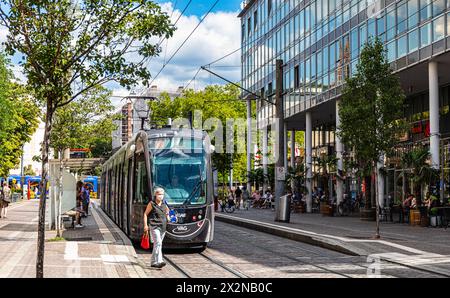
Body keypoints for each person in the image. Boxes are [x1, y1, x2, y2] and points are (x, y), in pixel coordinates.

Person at [143, 187, 170, 269]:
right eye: (159, 194)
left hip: (163, 227)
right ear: (155, 195)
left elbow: (167, 212)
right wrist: (145, 225)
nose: (160, 196)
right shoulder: (151, 204)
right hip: (154, 226)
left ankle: (153, 262)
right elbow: (145, 214)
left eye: (162, 194)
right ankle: (159, 261)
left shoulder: (164, 204)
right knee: (158, 243)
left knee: (157, 244)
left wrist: (168, 217)